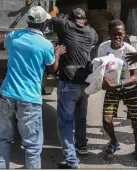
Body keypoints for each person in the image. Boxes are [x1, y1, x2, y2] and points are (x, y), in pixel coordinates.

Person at [0, 6, 66, 169]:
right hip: (30, 101)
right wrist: (57, 54)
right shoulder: (45, 45)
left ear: (28, 21)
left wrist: (0, 38)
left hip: (7, 96)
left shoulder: (14, 37)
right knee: (32, 148)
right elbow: (52, 69)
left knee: (3, 142)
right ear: (43, 25)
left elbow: (0, 42)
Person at [48, 8, 98, 169]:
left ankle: (71, 160)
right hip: (85, 80)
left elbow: (51, 16)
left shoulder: (65, 26)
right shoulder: (91, 32)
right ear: (84, 20)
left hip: (68, 80)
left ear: (71, 18)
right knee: (81, 116)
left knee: (65, 122)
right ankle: (81, 146)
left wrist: (57, 11)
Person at [98, 19, 137, 163]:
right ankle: (114, 141)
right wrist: (100, 80)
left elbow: (136, 77)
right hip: (112, 90)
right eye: (113, 33)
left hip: (130, 90)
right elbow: (98, 69)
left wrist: (117, 84)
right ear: (109, 33)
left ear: (124, 34)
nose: (116, 36)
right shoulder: (103, 47)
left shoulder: (129, 50)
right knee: (106, 121)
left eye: (119, 34)